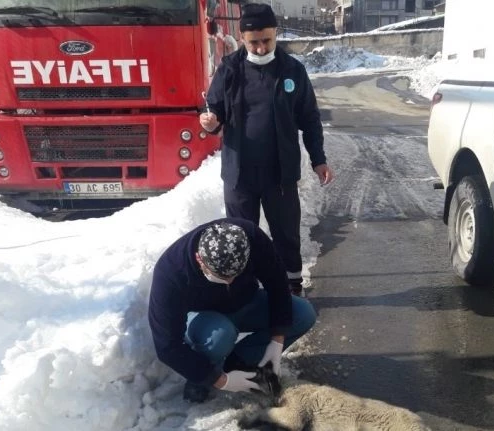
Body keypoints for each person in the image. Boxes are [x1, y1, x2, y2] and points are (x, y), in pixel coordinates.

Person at [199, 3, 334, 296]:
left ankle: (291, 289)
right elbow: (214, 109)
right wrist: (210, 123)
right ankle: (245, 292)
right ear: (243, 38)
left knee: (285, 234)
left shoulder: (292, 71)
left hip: (280, 174)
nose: (260, 48)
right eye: (253, 42)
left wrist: (318, 159)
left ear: (276, 34)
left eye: (266, 41)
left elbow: (310, 119)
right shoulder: (230, 69)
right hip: (239, 175)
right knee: (240, 236)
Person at [148, 218, 317, 403]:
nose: (229, 282)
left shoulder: (251, 237)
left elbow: (278, 285)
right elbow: (167, 345)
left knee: (303, 314)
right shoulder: (170, 272)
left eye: (236, 276)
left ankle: (239, 361)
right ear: (199, 259)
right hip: (205, 318)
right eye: (221, 278)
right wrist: (222, 382)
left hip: (247, 302)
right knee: (220, 336)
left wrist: (276, 342)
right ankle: (201, 375)